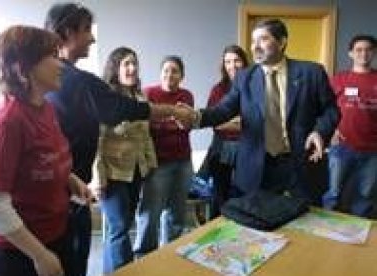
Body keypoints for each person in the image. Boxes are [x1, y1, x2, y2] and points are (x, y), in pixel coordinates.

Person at [43, 3, 190, 275]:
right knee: (107, 236)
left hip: (74, 183)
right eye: (87, 30)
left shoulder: (73, 81)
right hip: (64, 192)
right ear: (66, 33)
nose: (93, 37)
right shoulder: (76, 82)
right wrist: (171, 110)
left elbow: (137, 124)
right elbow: (121, 114)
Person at [179, 19, 339, 202]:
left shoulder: (312, 73)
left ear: (282, 42)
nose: (255, 46)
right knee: (258, 226)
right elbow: (223, 110)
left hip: (301, 164)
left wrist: (320, 131)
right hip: (257, 168)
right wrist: (195, 117)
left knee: (302, 223)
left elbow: (331, 110)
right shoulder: (245, 77)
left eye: (263, 39)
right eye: (253, 41)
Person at [0, 25, 91, 276]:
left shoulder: (45, 108)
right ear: (22, 69)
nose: (61, 64)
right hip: (17, 253)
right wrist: (39, 255)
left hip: (55, 234)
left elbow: (39, 159)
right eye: (51, 56)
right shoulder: (5, 123)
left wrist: (69, 179)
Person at [96, 47, 157, 273]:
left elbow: (145, 136)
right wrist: (97, 178)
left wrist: (150, 164)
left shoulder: (140, 97)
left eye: (134, 64)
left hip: (136, 171)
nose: (132, 69)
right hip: (112, 174)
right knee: (119, 228)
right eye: (126, 64)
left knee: (122, 227)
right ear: (115, 68)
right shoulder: (106, 100)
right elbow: (96, 141)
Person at [134, 56, 194, 256]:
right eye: (166, 70)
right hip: (157, 164)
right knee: (150, 214)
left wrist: (163, 120)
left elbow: (187, 126)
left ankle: (169, 254)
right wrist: (172, 119)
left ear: (182, 76)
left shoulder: (186, 95)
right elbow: (146, 127)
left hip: (183, 162)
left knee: (176, 213)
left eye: (175, 71)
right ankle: (145, 256)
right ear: (160, 74)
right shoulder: (149, 93)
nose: (170, 75)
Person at [322, 34, 377, 217]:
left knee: (365, 195)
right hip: (341, 146)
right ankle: (325, 230)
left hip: (372, 150)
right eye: (359, 50)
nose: (364, 53)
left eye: (368, 49)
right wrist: (329, 132)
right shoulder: (338, 80)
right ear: (351, 54)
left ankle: (357, 240)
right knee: (333, 193)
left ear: (374, 53)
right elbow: (324, 110)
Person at [203, 45, 249, 218]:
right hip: (221, 148)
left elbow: (260, 121)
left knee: (245, 192)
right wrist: (240, 122)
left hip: (248, 147)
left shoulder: (255, 86)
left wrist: (235, 121)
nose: (232, 65)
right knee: (219, 193)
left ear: (244, 62)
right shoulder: (218, 89)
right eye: (228, 61)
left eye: (236, 60)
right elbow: (214, 122)